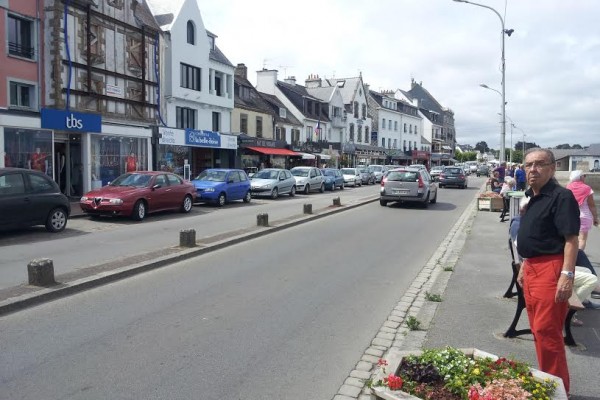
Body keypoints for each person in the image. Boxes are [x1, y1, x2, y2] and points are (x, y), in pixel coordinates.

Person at [516, 148, 580, 394]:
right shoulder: (532, 196)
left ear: (552, 168)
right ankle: (547, 383)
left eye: (540, 164)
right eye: (529, 165)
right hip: (532, 268)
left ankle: (557, 392)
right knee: (538, 330)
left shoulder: (561, 197)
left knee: (547, 332)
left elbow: (571, 240)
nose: (533, 169)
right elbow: (537, 236)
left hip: (551, 269)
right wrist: (524, 264)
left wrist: (567, 275)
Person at [566, 170, 599, 250]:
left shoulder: (568, 187)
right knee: (582, 239)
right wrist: (595, 218)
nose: (584, 177)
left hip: (571, 216)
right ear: (580, 177)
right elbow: (591, 205)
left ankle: (571, 255)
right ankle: (579, 255)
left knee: (571, 239)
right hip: (584, 216)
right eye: (584, 176)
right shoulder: (587, 188)